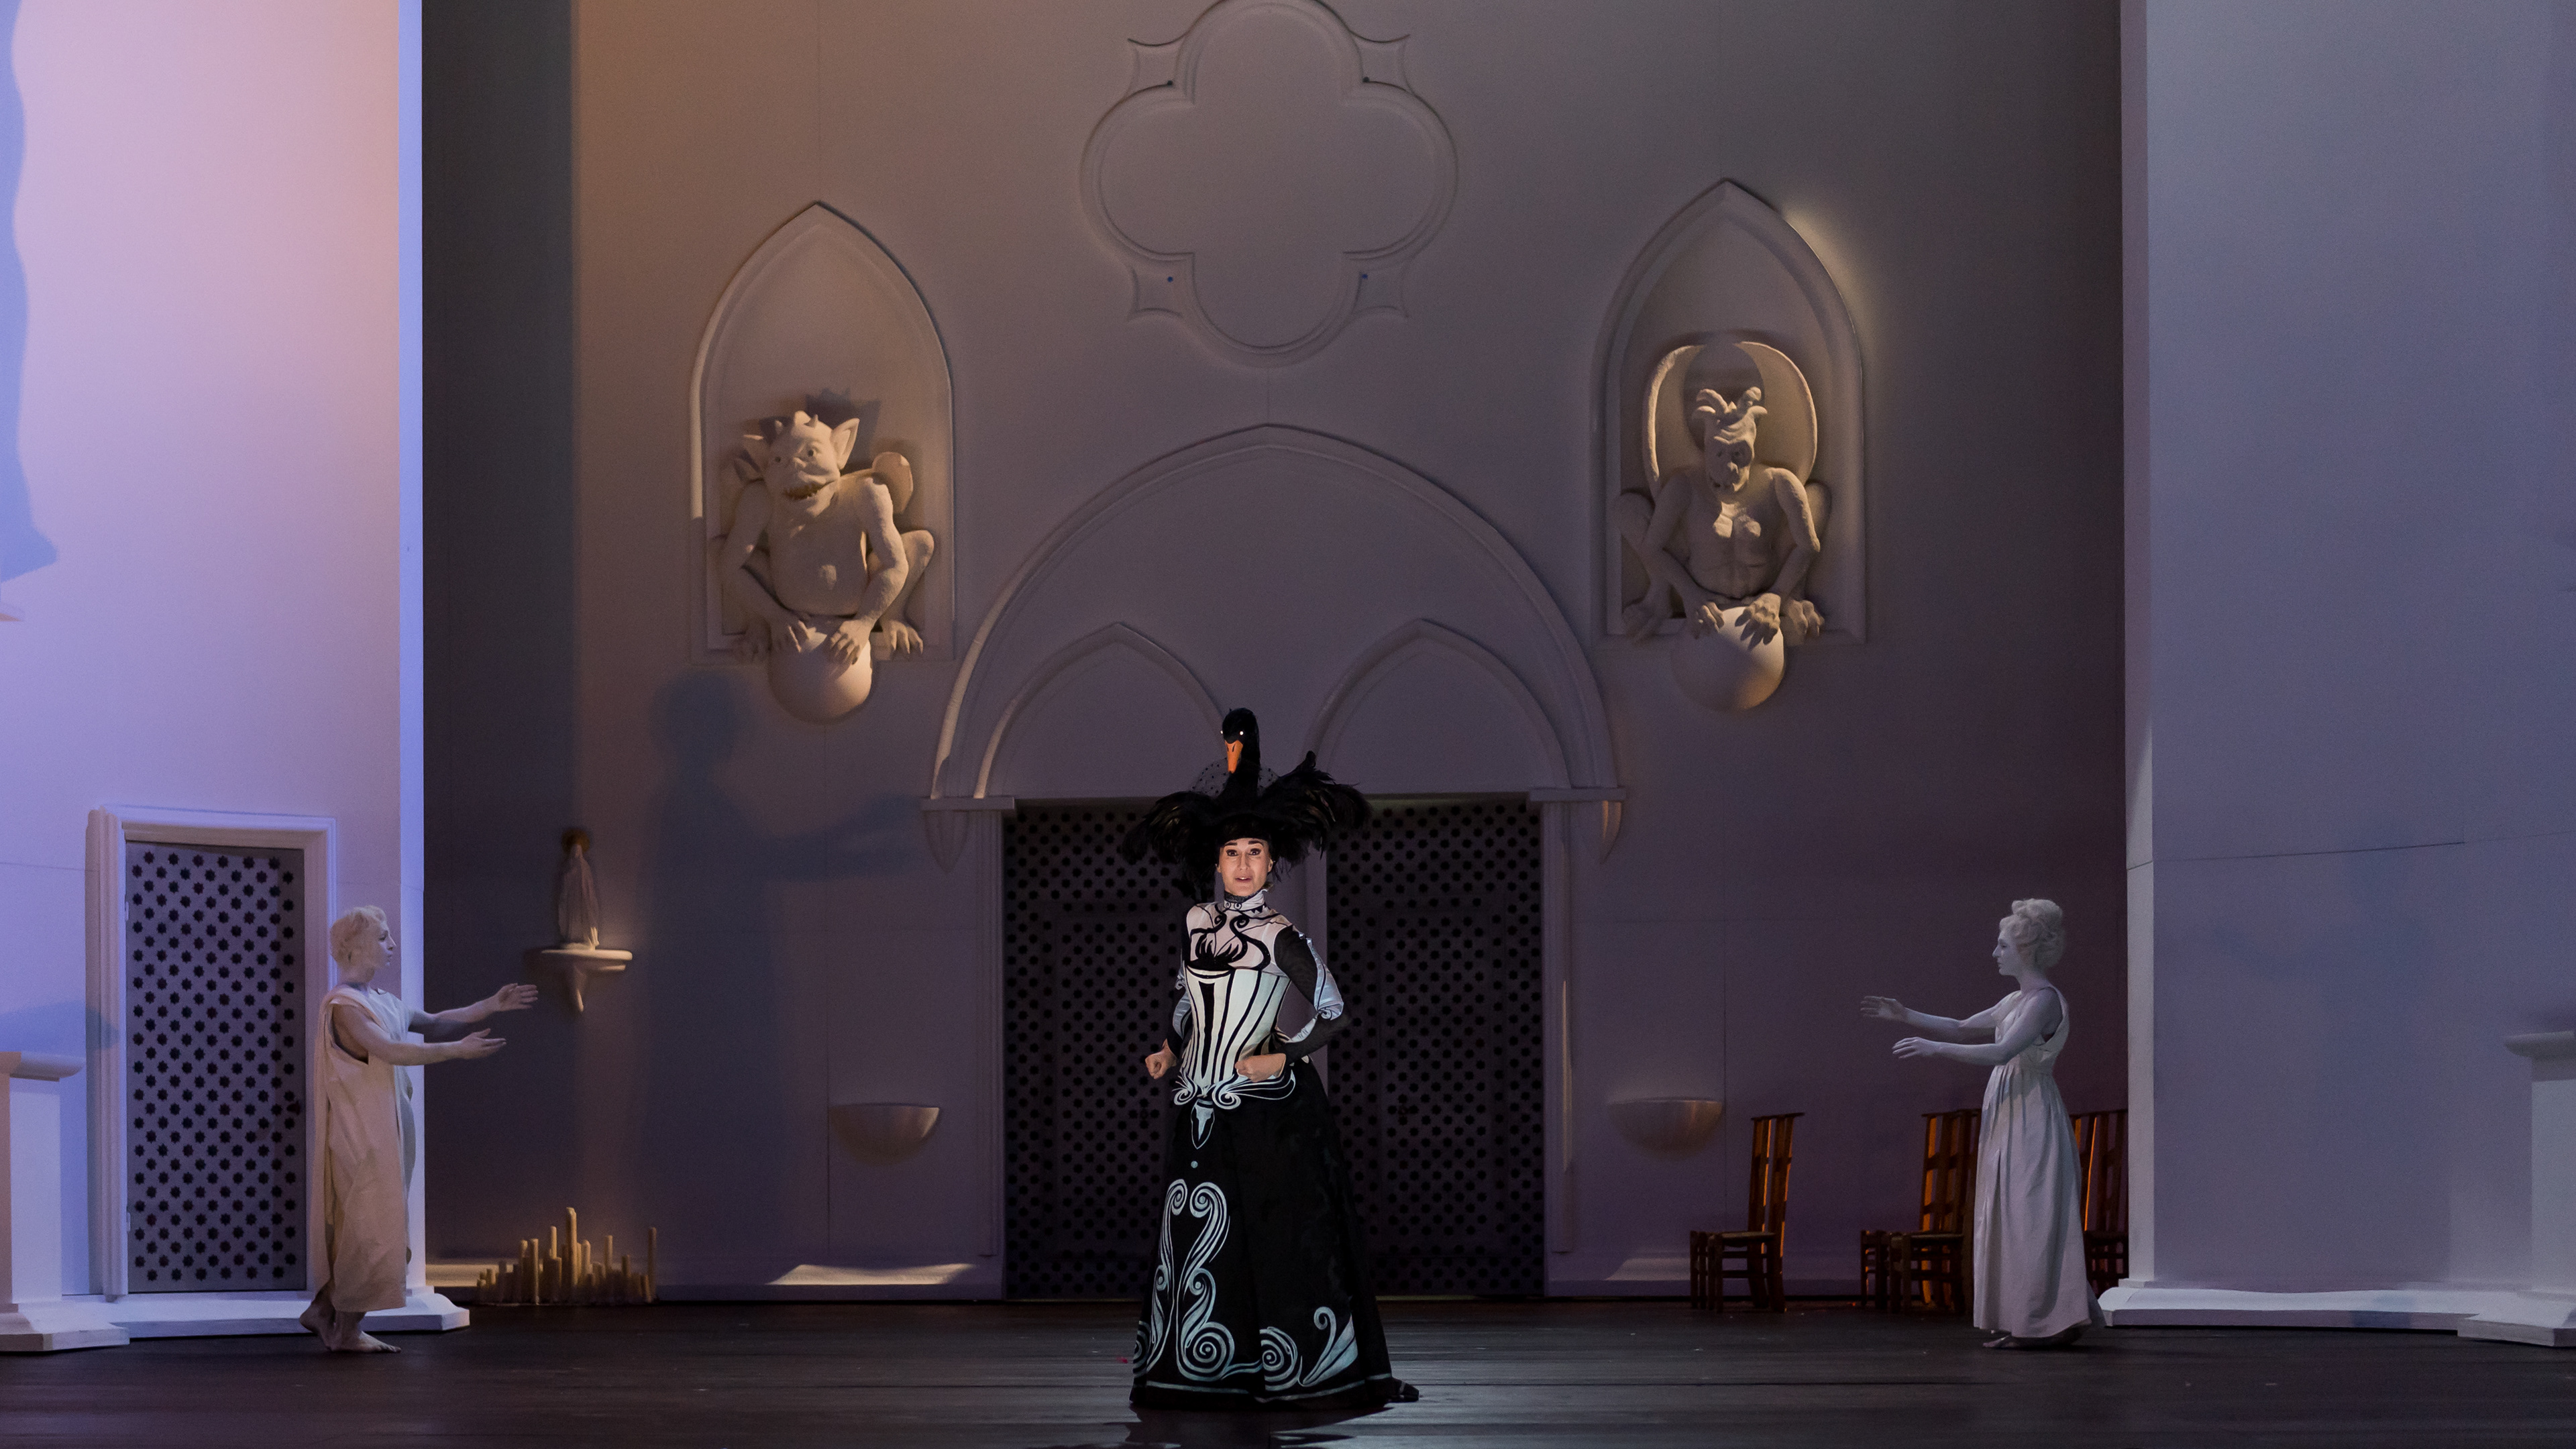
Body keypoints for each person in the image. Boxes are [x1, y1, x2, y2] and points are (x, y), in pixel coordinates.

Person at [1118, 708, 1416, 1409]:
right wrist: (1169, 1050)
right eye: (1233, 853)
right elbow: (1188, 1002)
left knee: (1275, 1237)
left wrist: (1282, 1056)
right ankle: (1206, 1369)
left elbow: (1334, 1011)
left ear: (1272, 862)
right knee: (1199, 1236)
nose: (1244, 864)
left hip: (1267, 1113)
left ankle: (1293, 1371)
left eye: (1256, 852)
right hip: (1199, 1108)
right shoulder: (1196, 923)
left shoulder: (1281, 935)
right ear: (1216, 862)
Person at [1862, 898, 2104, 1348]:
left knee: (2031, 1213)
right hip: (2011, 1109)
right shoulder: (2016, 999)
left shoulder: (2044, 1001)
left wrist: (1935, 1049)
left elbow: (2001, 1051)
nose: (1996, 953)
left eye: (2003, 945)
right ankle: (2031, 1320)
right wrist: (1906, 1015)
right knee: (2012, 1213)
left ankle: (2045, 1322)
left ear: (2026, 950)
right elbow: (1960, 1026)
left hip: (2032, 1112)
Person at [301, 906, 536, 1352]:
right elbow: (390, 1050)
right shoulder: (345, 1006)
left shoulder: (381, 1000)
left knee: (379, 1224)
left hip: (386, 1127)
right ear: (354, 946)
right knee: (368, 1227)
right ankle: (343, 1329)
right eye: (383, 938)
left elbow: (431, 1021)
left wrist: (489, 1006)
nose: (391, 945)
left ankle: (327, 1312)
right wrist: (457, 1051)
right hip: (362, 1133)